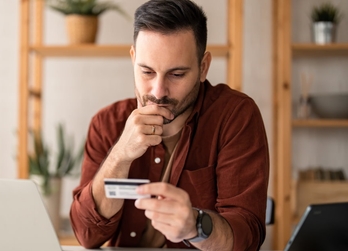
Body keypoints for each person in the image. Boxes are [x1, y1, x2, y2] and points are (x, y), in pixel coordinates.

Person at [69, 0, 269, 250]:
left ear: (203, 67)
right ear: (133, 59)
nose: (158, 91)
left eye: (176, 74)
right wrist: (119, 156)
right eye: (147, 72)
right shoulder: (107, 123)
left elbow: (247, 237)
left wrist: (195, 226)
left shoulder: (235, 117)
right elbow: (87, 236)